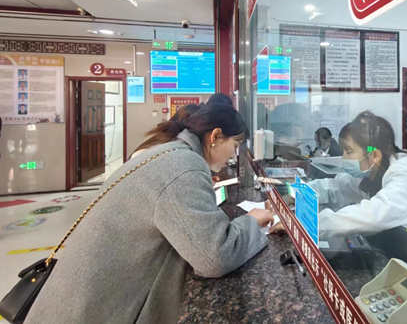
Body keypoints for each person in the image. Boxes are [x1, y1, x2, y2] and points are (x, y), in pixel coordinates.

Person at [25, 103, 274, 324]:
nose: (233, 155)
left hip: (79, 297)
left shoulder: (169, 151)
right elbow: (214, 256)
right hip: (88, 310)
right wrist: (251, 221)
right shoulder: (183, 165)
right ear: (215, 136)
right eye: (235, 145)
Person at [270, 111, 407, 248]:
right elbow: (337, 187)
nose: (344, 158)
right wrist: (294, 193)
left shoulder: (406, 175)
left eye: (349, 151)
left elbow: (372, 215)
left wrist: (305, 223)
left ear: (374, 155)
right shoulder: (376, 172)